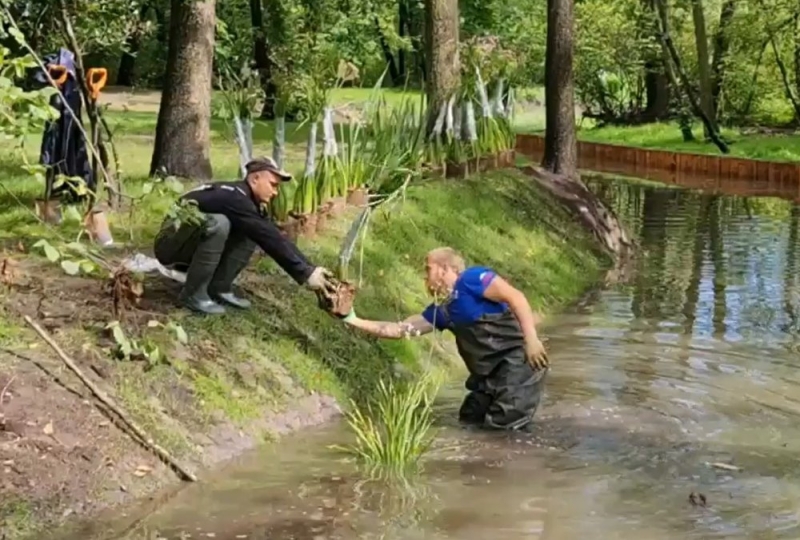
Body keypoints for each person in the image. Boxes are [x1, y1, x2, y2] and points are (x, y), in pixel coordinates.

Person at [339, 247, 550, 431]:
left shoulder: (473, 279)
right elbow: (397, 330)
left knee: (503, 429)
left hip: (520, 364)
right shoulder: (443, 311)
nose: (425, 276)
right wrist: (351, 318)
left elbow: (516, 297)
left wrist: (531, 340)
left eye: (428, 269)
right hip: (489, 376)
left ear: (445, 268)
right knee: (470, 418)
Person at [153, 156, 337, 314]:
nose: (275, 192)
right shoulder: (235, 198)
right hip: (168, 245)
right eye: (273, 185)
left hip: (186, 240)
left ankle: (219, 287)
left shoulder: (246, 201)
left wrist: (309, 269)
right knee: (218, 224)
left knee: (251, 229)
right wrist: (305, 273)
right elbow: (269, 237)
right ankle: (192, 295)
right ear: (255, 178)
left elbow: (271, 235)